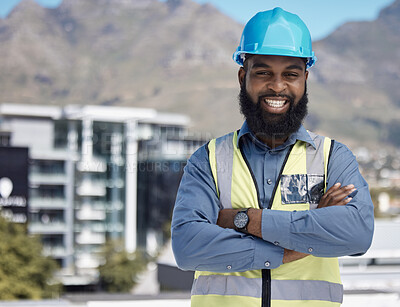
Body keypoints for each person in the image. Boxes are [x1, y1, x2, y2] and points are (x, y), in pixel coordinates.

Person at [171, 7, 374, 307]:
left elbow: (357, 235)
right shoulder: (208, 160)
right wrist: (300, 241)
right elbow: (188, 247)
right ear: (243, 76)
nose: (277, 86)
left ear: (305, 78)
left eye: (290, 74)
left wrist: (244, 220)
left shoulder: (333, 157)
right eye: (263, 72)